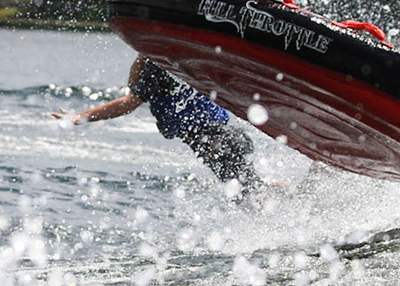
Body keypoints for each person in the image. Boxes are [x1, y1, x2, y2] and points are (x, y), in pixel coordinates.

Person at [54, 55, 258, 190]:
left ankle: (271, 216)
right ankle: (277, 206)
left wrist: (81, 117)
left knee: (246, 193)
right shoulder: (176, 58)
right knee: (250, 190)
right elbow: (133, 85)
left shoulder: (159, 66)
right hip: (224, 138)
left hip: (218, 144)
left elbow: (129, 102)